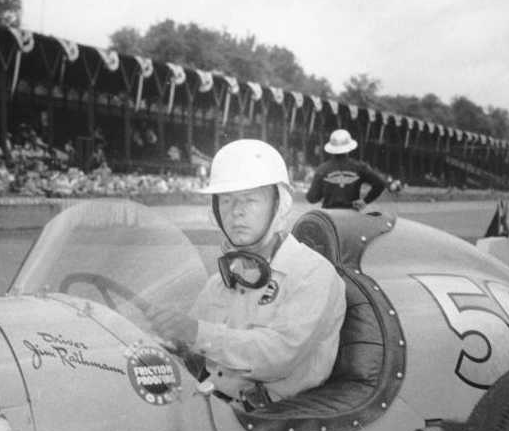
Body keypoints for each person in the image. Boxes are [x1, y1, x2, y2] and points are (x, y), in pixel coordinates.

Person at [148, 139, 346, 406]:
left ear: (280, 204)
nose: (236, 212)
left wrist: (194, 332)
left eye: (250, 200)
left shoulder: (313, 273)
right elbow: (190, 342)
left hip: (276, 420)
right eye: (226, 200)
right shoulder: (223, 279)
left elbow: (278, 356)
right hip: (219, 408)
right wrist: (166, 340)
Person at [306, 129, 396, 210]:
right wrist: (365, 201)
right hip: (352, 216)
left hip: (329, 216)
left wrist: (324, 191)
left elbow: (311, 198)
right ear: (349, 148)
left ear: (331, 148)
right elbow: (380, 184)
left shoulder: (322, 169)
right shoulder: (360, 167)